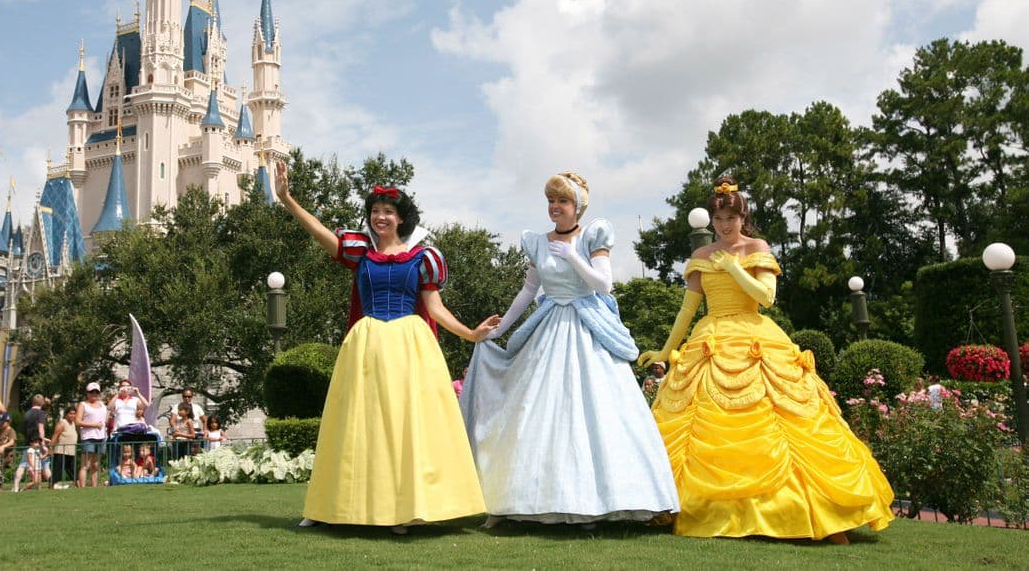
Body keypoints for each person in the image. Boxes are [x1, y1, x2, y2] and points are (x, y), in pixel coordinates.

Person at [638, 176, 894, 541]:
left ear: (743, 218)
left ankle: (815, 512)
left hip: (754, 335)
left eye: (731, 218)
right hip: (710, 337)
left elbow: (766, 297)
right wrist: (666, 350)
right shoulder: (701, 256)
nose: (724, 226)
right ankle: (695, 506)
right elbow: (688, 308)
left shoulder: (756, 247)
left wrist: (734, 268)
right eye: (718, 219)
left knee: (784, 422)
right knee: (700, 421)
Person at [276, 161, 497, 533]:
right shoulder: (360, 252)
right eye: (375, 211)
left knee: (406, 425)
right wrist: (287, 199)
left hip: (410, 346)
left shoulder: (424, 258)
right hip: (367, 344)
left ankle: (403, 509)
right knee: (353, 424)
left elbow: (435, 308)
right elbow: (320, 233)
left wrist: (471, 334)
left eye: (388, 212)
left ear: (401, 218)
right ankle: (327, 506)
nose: (380, 217)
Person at [460, 172, 679, 526]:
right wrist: (499, 329)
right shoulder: (537, 242)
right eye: (551, 201)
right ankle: (527, 499)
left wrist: (574, 257)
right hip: (548, 327)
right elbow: (528, 292)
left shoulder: (593, 236)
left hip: (587, 325)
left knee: (598, 411)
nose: (555, 208)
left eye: (562, 201)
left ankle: (604, 499)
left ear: (577, 206)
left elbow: (604, 285)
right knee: (537, 408)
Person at [77, 382, 106, 488]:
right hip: (88, 437)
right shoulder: (83, 405)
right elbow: (78, 421)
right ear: (87, 393)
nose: (94, 394)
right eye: (91, 392)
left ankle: (95, 487)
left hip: (101, 436)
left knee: (96, 464)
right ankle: (82, 487)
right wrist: (93, 425)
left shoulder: (102, 405)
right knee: (86, 465)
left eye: (96, 392)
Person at [49, 405, 78, 486]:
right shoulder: (62, 423)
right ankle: (51, 486)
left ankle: (79, 486)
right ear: (66, 414)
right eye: (70, 414)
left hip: (70, 452)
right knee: (57, 471)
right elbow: (55, 436)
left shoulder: (73, 424)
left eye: (74, 414)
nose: (72, 415)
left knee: (72, 471)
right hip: (61, 451)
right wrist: (50, 449)